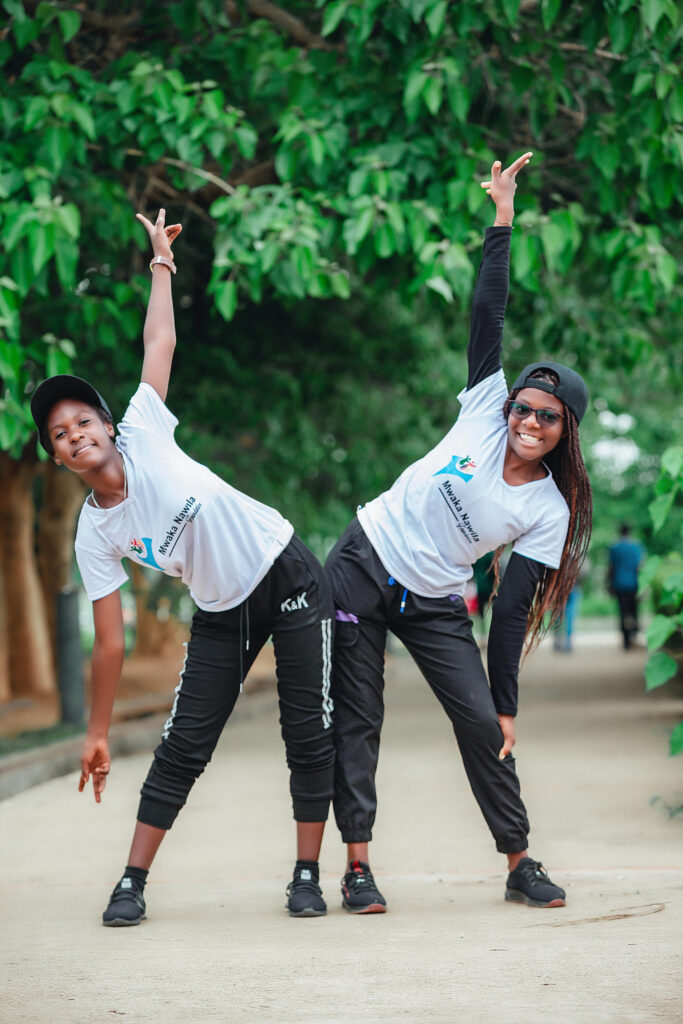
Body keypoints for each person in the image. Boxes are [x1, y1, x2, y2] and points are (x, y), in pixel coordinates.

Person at [30, 210, 335, 925]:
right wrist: (97, 732)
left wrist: (161, 265)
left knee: (307, 732)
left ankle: (306, 874)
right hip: (222, 609)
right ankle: (131, 882)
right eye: (60, 435)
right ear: (59, 459)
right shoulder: (94, 533)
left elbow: (158, 342)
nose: (75, 435)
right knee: (184, 744)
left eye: (83, 421)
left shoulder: (144, 427)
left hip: (286, 571)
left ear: (108, 426)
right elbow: (110, 643)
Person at [326, 153, 592, 913]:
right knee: (358, 716)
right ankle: (357, 868)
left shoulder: (548, 509)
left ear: (565, 430)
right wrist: (501, 220)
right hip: (363, 560)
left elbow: (510, 610)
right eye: (524, 407)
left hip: (435, 597)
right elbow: (488, 314)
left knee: (481, 724)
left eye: (547, 416)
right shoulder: (483, 408)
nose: (529, 421)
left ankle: (519, 863)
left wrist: (504, 702)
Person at [608, 525, 644, 650]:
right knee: (634, 612)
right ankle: (633, 635)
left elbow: (611, 567)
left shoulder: (615, 548)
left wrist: (610, 585)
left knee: (623, 612)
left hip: (619, 584)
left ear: (620, 532)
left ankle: (626, 640)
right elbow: (640, 567)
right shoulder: (637, 547)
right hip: (634, 585)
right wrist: (643, 586)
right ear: (630, 532)